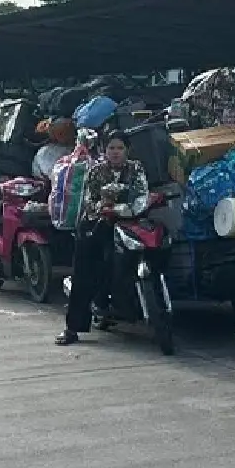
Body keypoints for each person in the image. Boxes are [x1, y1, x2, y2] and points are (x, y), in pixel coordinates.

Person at [57, 130, 149, 346]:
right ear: (104, 151)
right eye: (111, 148)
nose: (115, 152)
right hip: (96, 224)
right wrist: (103, 208)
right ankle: (72, 329)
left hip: (128, 223)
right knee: (84, 274)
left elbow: (141, 196)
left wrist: (123, 209)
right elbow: (89, 202)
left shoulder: (136, 169)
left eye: (120, 148)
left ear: (127, 151)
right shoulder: (96, 171)